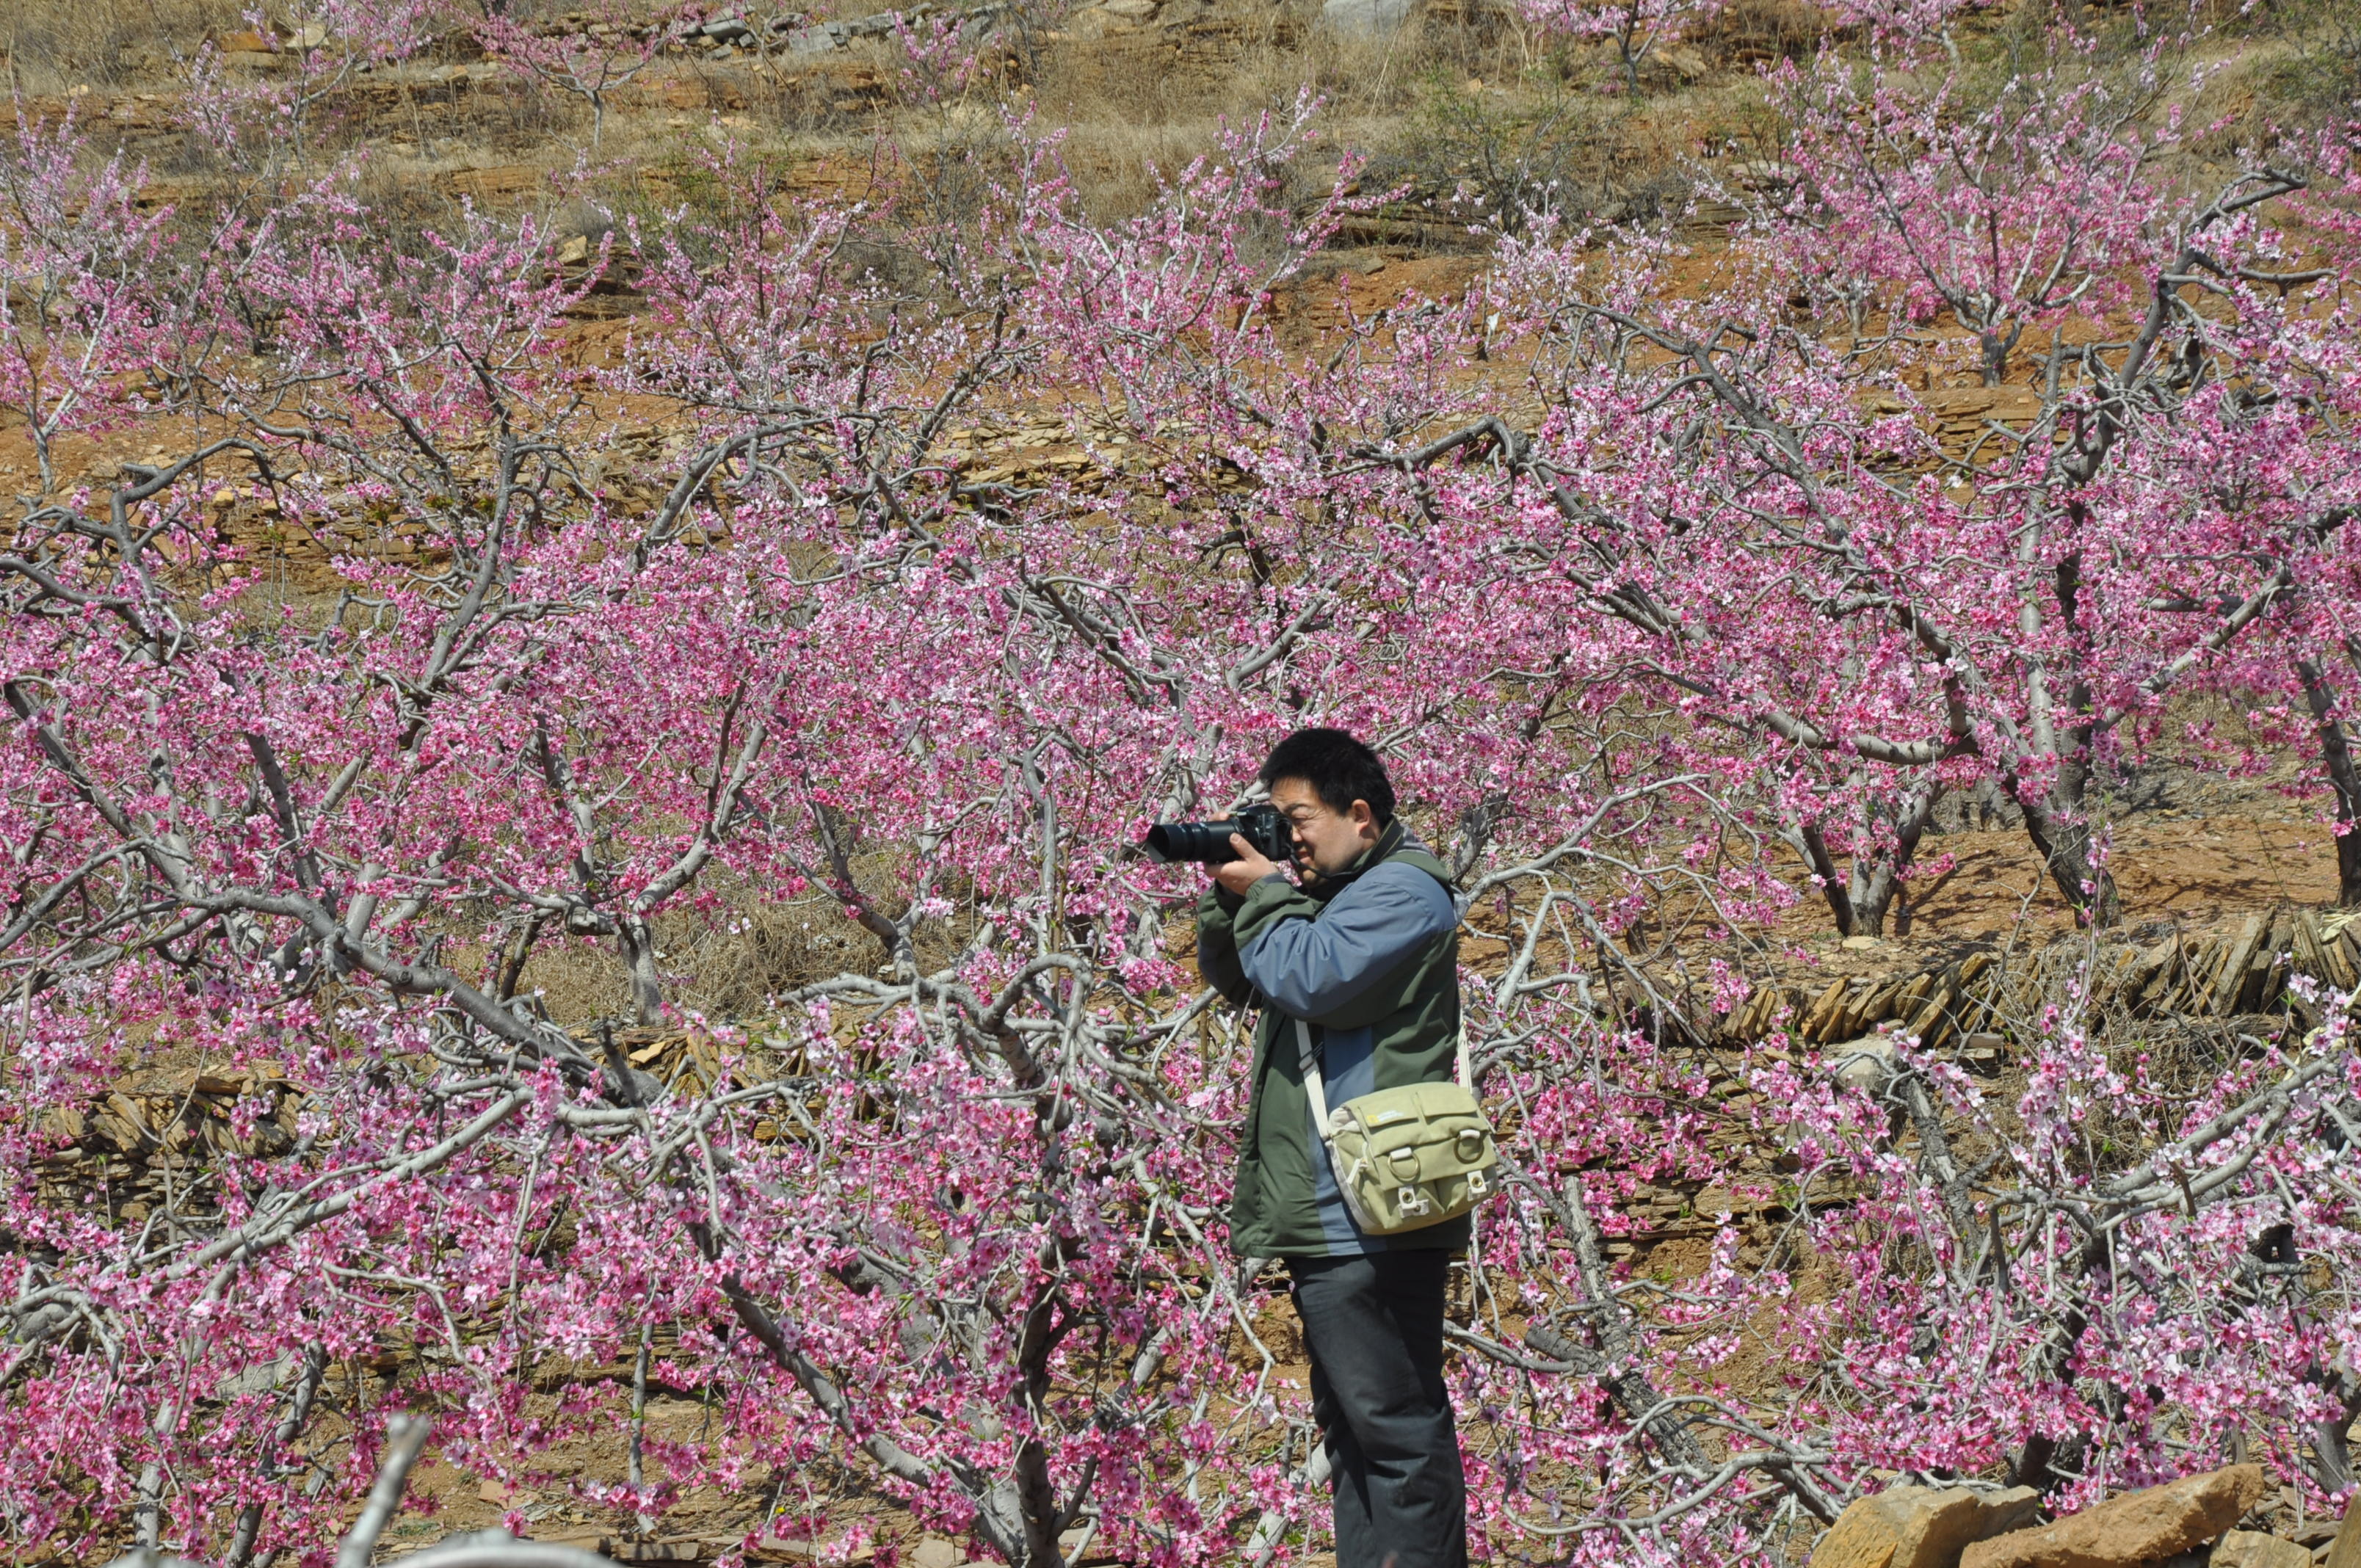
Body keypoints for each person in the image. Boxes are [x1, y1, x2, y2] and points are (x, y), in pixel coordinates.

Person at [1194, 727, 1469, 1568]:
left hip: (1367, 1211)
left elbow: (1309, 978)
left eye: (1298, 819)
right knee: (1353, 1433)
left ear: (1359, 812)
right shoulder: (1334, 894)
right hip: (1332, 1214)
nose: (1292, 838)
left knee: (1396, 1431)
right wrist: (1229, 888)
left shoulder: (1403, 895)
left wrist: (1269, 893)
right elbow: (1241, 977)